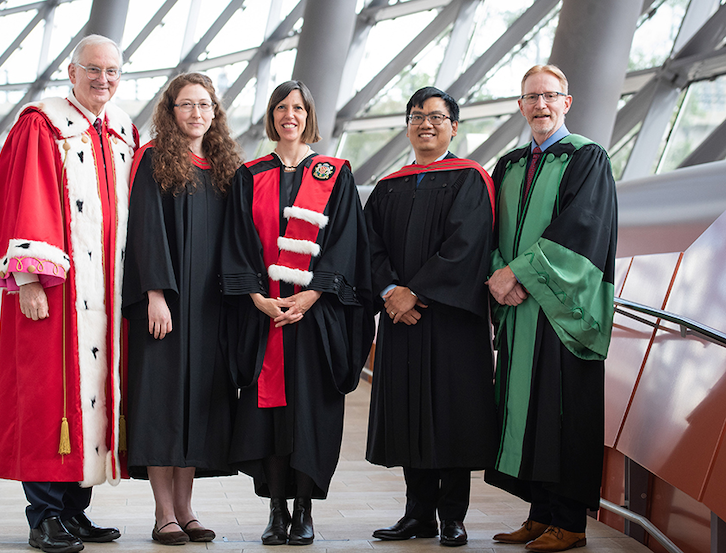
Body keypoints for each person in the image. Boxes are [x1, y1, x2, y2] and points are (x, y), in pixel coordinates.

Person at [0, 34, 137, 553]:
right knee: (51, 399)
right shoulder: (42, 125)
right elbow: (27, 199)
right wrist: (27, 281)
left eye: (112, 71)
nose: (103, 80)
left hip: (106, 296)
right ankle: (44, 516)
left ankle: (73, 511)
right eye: (93, 70)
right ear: (71, 72)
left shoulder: (122, 132)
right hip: (56, 292)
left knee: (92, 399)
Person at [221, 80, 374, 546]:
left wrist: (311, 296)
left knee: (309, 411)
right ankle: (275, 510)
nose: (291, 114)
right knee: (270, 414)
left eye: (299, 107)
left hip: (315, 318)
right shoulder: (249, 174)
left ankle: (304, 509)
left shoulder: (336, 173)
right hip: (264, 316)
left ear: (310, 116)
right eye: (282, 107)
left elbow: (346, 244)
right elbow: (238, 245)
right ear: (272, 115)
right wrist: (257, 298)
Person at [485, 65, 617, 552]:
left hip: (564, 314)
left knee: (564, 412)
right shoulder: (510, 164)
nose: (540, 105)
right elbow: (492, 229)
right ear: (520, 106)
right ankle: (540, 515)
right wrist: (500, 275)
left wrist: (516, 274)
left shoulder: (587, 158)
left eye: (550, 96)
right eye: (531, 97)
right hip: (520, 311)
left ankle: (571, 523)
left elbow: (582, 229)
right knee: (530, 412)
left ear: (567, 102)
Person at [364, 87, 498, 547]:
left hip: (451, 320)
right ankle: (417, 514)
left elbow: (467, 246)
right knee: (409, 412)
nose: (426, 123)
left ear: (454, 127)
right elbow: (369, 247)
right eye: (417, 115)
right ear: (407, 125)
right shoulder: (388, 186)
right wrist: (388, 291)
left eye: (437, 117)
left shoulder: (471, 179)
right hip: (402, 320)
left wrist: (414, 292)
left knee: (451, 413)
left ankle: (453, 516)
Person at [122, 72, 241, 546]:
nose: (196, 113)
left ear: (215, 113)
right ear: (170, 112)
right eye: (186, 104)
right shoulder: (154, 160)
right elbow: (147, 231)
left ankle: (188, 509)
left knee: (198, 404)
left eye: (205, 105)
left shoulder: (225, 166)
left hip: (211, 307)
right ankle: (163, 512)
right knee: (162, 403)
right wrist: (155, 294)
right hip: (167, 305)